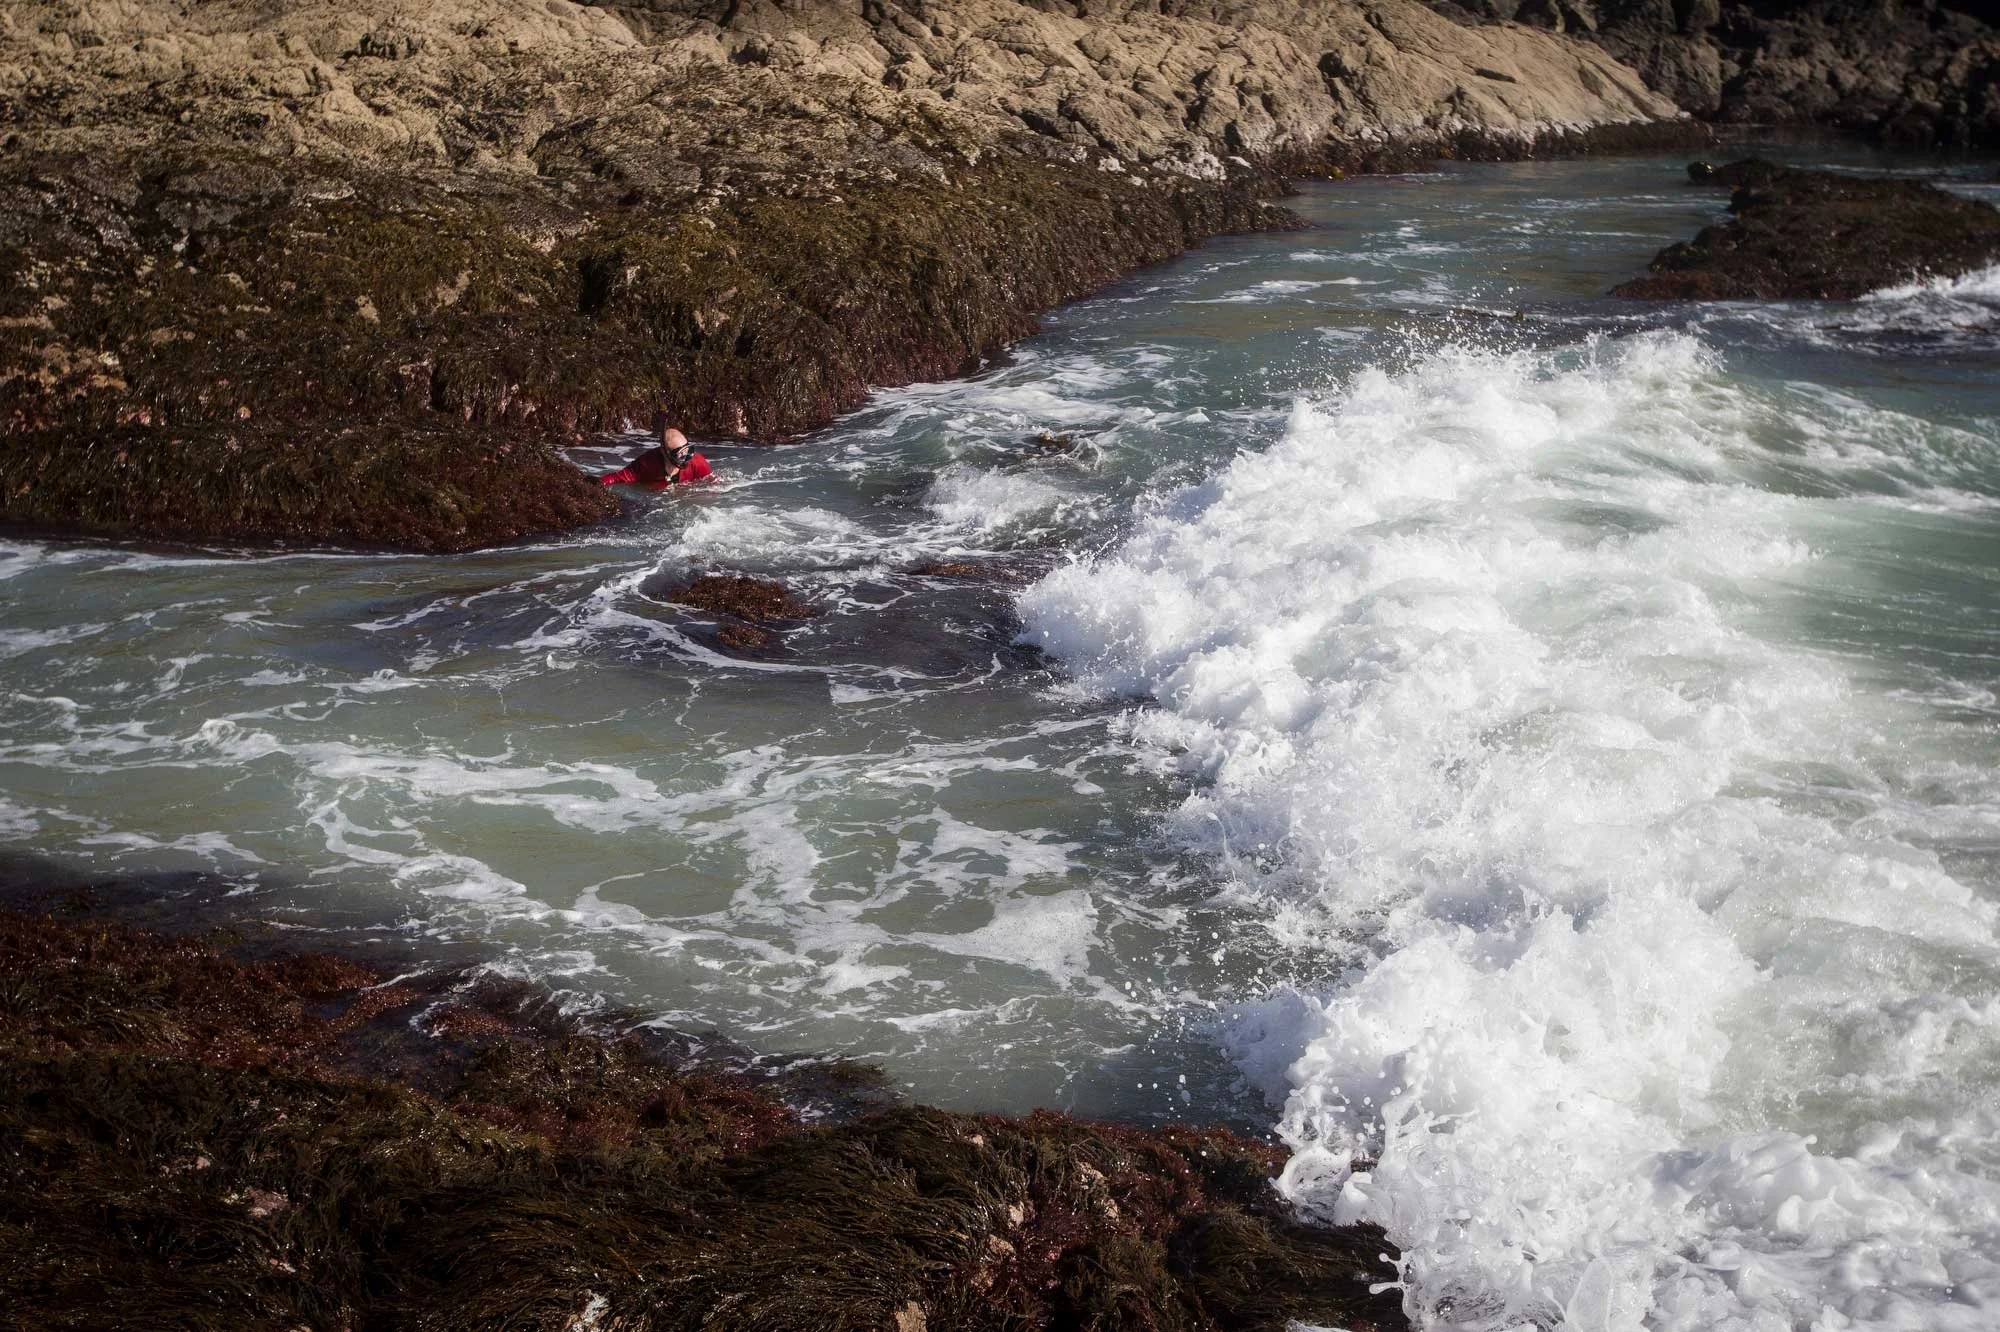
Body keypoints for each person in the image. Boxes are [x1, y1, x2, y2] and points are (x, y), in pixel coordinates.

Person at [599, 419, 712, 490]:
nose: (686, 458)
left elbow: (712, 484)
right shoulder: (647, 463)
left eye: (688, 450)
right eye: (679, 454)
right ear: (664, 451)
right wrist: (598, 483)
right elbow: (619, 477)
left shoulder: (697, 461)